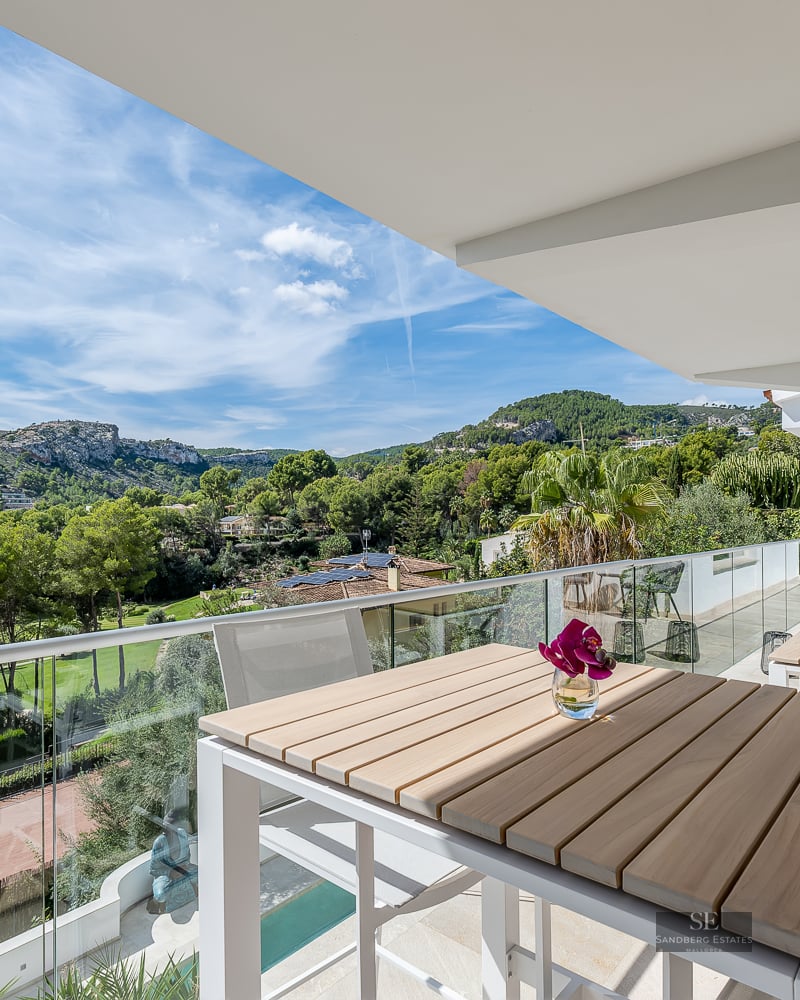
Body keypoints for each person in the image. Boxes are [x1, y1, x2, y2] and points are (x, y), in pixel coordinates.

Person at [147, 808, 198, 914]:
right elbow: (154, 869)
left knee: (205, 876)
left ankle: (193, 888)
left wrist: (184, 867)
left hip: (183, 868)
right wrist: (170, 872)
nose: (166, 828)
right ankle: (156, 903)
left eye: (169, 825)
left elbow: (187, 855)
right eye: (165, 824)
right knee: (161, 895)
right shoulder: (160, 842)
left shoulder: (182, 834)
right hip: (165, 874)